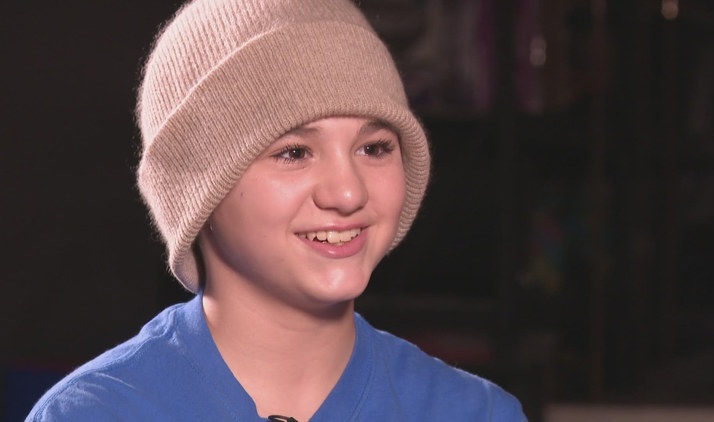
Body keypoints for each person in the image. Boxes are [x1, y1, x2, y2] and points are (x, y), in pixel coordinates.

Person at [26, 0, 527, 420]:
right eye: (294, 153)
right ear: (198, 189)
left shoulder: (475, 413)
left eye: (373, 147)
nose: (348, 193)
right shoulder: (98, 413)